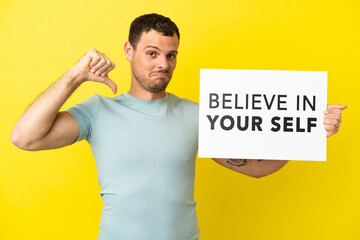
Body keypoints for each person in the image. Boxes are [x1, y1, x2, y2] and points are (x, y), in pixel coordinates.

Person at [11, 13, 347, 240]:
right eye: (152, 53)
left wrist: (308, 133)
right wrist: (74, 76)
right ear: (129, 51)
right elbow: (25, 137)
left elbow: (256, 167)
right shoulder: (98, 111)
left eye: (171, 55)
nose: (163, 64)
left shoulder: (198, 115)